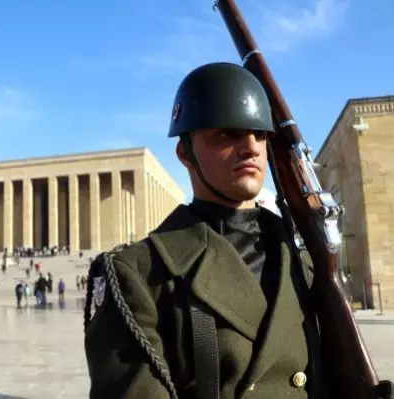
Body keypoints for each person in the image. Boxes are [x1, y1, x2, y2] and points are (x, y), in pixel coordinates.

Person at [83, 62, 372, 399]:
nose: (251, 147)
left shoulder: (303, 258)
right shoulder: (138, 273)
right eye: (228, 134)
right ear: (184, 153)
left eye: (260, 134)